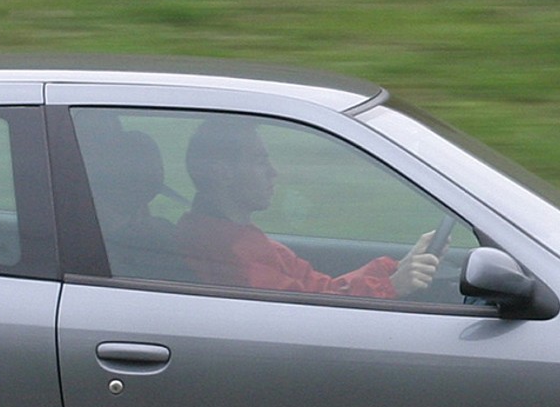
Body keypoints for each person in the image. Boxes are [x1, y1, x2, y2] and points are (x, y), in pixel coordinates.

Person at [176, 119, 439, 299]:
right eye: (259, 161)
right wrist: (391, 286)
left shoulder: (235, 237)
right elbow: (308, 314)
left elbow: (321, 291)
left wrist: (394, 270)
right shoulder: (227, 253)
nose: (273, 172)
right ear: (221, 173)